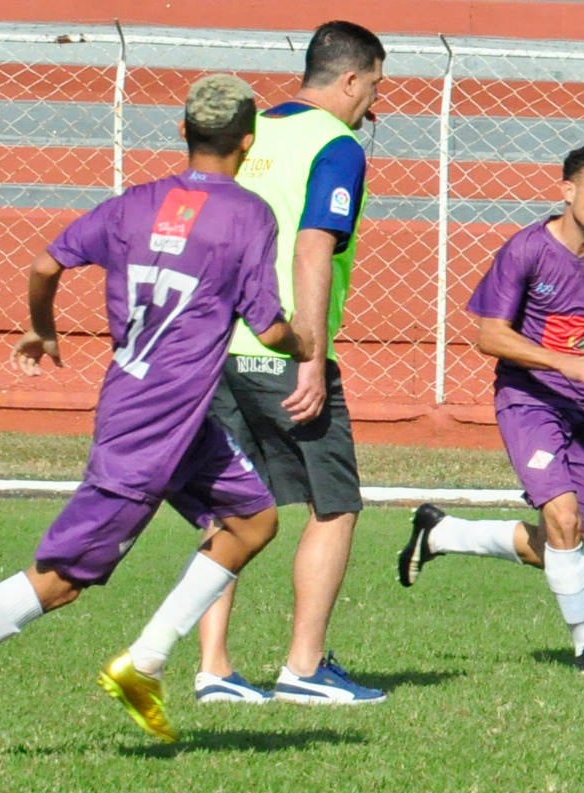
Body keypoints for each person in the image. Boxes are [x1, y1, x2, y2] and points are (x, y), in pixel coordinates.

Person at [0, 74, 313, 758]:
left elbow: (44, 264)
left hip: (161, 411)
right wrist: (307, 342)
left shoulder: (134, 205)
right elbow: (269, 329)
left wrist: (42, 330)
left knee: (254, 519)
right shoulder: (248, 214)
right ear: (249, 141)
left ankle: (145, 663)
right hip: (152, 428)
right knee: (60, 581)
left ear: (182, 133)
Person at [395, 145, 584, 674]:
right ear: (567, 191)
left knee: (563, 544)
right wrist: (564, 363)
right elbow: (490, 335)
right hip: (527, 399)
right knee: (561, 522)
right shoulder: (525, 250)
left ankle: (441, 533)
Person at [191, 20, 386, 706]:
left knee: (229, 506)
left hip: (214, 347)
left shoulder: (252, 133)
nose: (374, 108)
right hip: (282, 348)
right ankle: (304, 667)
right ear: (352, 78)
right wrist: (311, 354)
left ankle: (214, 667)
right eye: (375, 89)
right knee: (334, 505)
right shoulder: (335, 145)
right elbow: (311, 247)